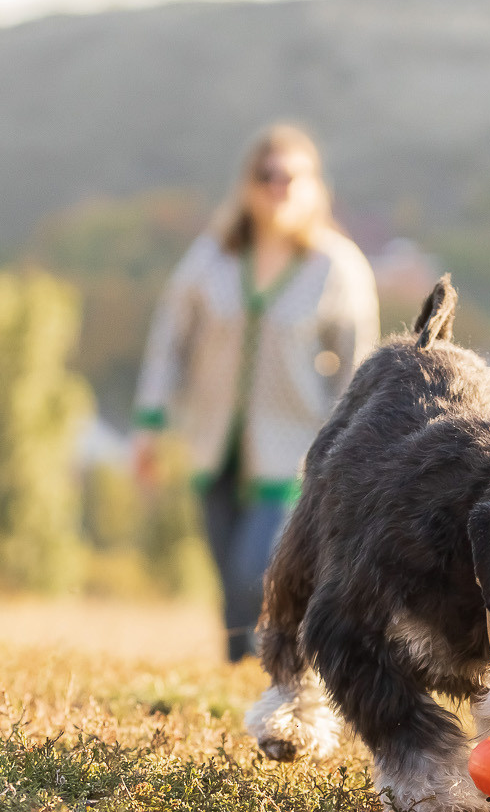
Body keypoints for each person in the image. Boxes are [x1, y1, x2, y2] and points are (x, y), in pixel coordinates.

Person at [133, 124, 380, 660]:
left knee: (255, 573)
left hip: (295, 451)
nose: (278, 188)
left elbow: (358, 368)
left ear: (314, 186)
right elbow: (169, 341)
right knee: (228, 579)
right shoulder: (211, 259)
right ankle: (238, 682)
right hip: (212, 445)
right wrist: (151, 424)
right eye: (266, 176)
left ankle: (277, 671)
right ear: (247, 185)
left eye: (291, 177)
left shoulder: (336, 267)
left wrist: (351, 453)